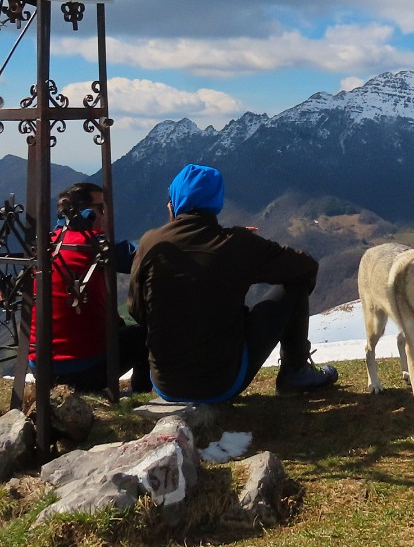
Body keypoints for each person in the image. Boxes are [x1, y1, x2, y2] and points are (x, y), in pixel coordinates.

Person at [127, 163, 338, 403]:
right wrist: (248, 249)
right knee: (295, 284)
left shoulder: (149, 242)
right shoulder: (236, 244)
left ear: (176, 201)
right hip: (222, 382)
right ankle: (296, 371)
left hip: (167, 383)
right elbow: (305, 266)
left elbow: (137, 311)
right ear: (216, 202)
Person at [29, 182, 151, 394]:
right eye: (101, 209)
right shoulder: (95, 245)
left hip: (40, 368)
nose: (105, 216)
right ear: (85, 213)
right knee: (144, 337)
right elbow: (145, 255)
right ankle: (139, 396)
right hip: (84, 371)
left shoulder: (45, 245)